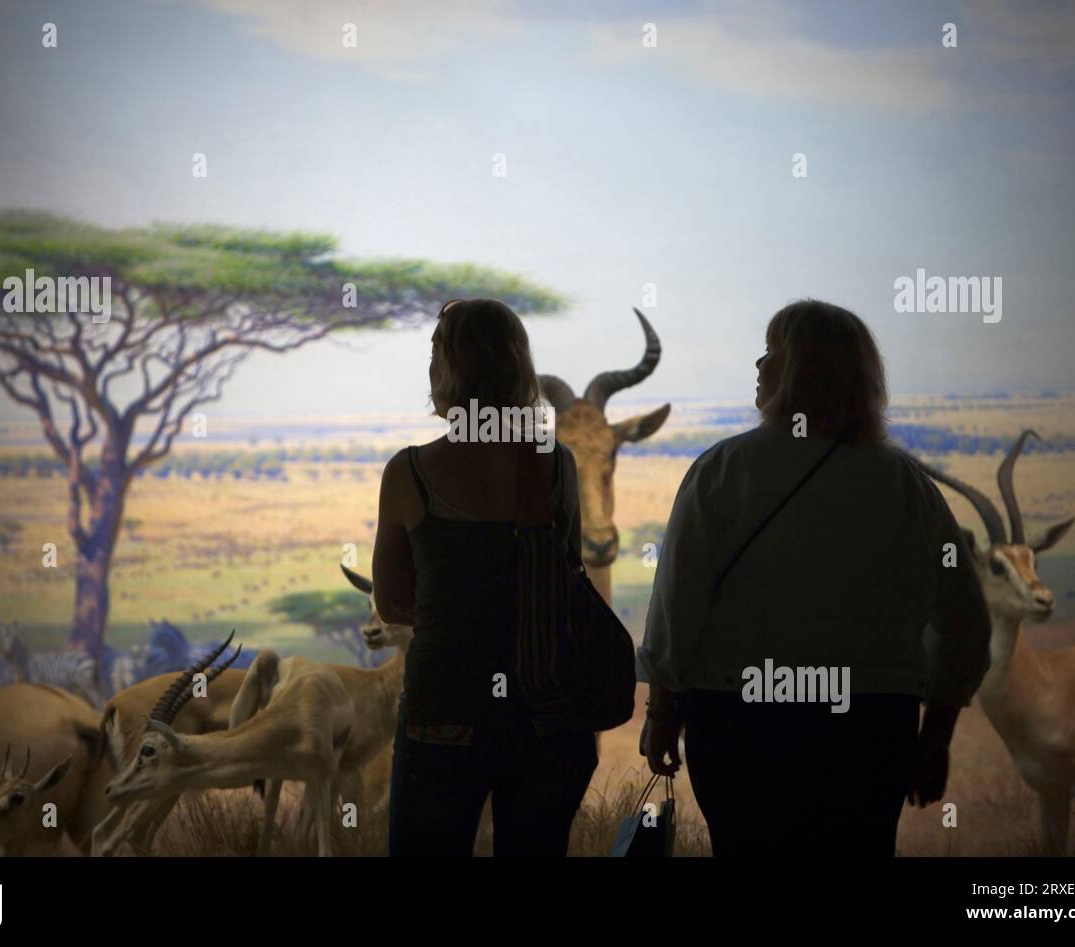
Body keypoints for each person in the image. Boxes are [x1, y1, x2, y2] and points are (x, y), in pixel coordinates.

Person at [637, 299, 991, 857]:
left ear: (804, 372)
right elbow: (965, 622)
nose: (758, 365)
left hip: (742, 726)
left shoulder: (722, 471)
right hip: (871, 730)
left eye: (774, 352)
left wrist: (661, 717)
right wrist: (936, 737)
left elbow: (676, 610)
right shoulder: (905, 485)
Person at [372, 298, 595, 856]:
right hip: (544, 712)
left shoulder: (410, 472)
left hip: (442, 714)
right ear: (520, 366)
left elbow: (393, 602)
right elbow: (564, 578)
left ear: (445, 369)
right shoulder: (557, 464)